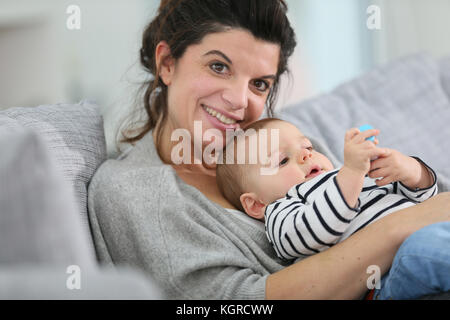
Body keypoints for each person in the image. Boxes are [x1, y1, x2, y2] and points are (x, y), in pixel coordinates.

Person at [87, 0, 450, 299]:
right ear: (167, 63)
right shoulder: (131, 190)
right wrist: (398, 229)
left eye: (259, 84)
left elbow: (421, 203)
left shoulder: (288, 144)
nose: (238, 101)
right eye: (218, 66)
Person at [216, 118, 450, 299]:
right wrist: (351, 173)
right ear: (257, 204)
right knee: (430, 247)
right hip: (387, 276)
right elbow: (317, 231)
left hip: (432, 231)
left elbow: (425, 199)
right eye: (282, 160)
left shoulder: (349, 175)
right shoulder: (281, 210)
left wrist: (411, 171)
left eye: (306, 146)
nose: (306, 155)